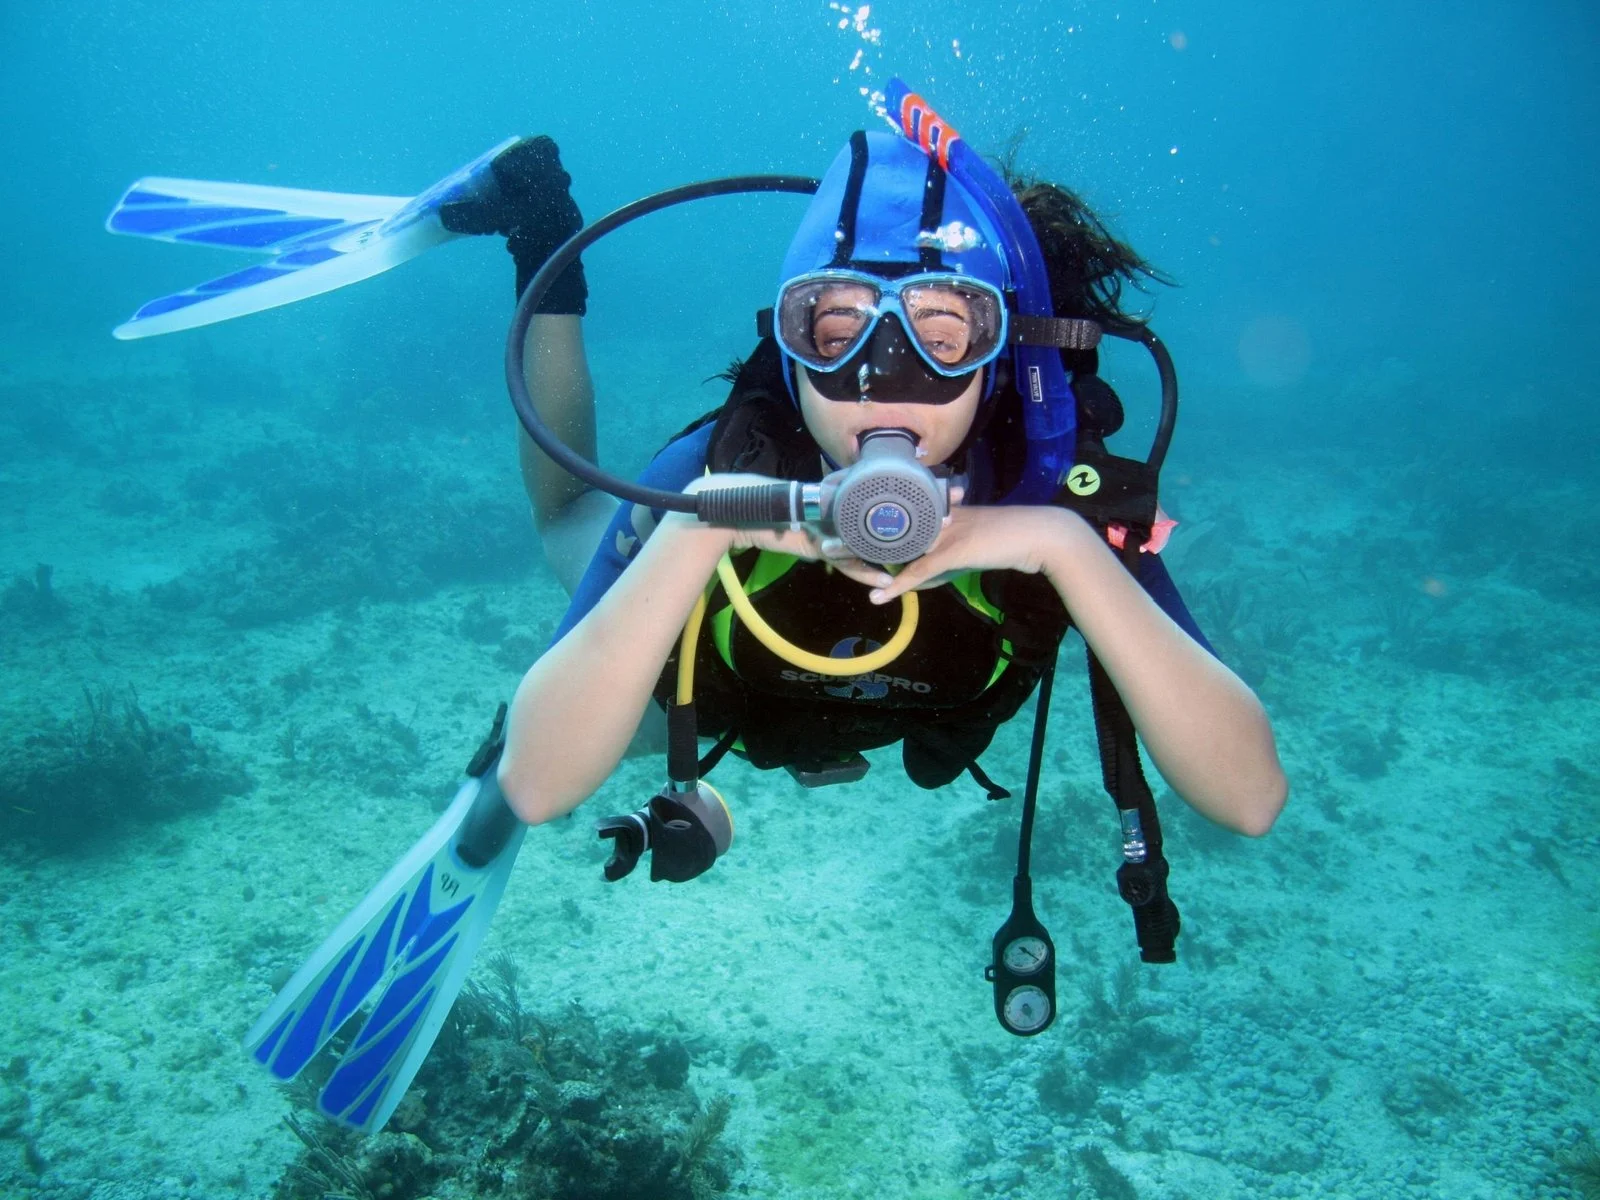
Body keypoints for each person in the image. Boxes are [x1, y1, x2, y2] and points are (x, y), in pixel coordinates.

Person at [443, 131, 1286, 839]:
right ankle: (541, 224)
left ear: (1002, 356)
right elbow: (541, 788)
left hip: (873, 702)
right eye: (837, 328)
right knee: (569, 520)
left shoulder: (1051, 497)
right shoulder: (724, 477)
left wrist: (1058, 545)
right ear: (789, 345)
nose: (884, 379)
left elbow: (1249, 799)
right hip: (713, 695)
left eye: (944, 333)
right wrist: (700, 529)